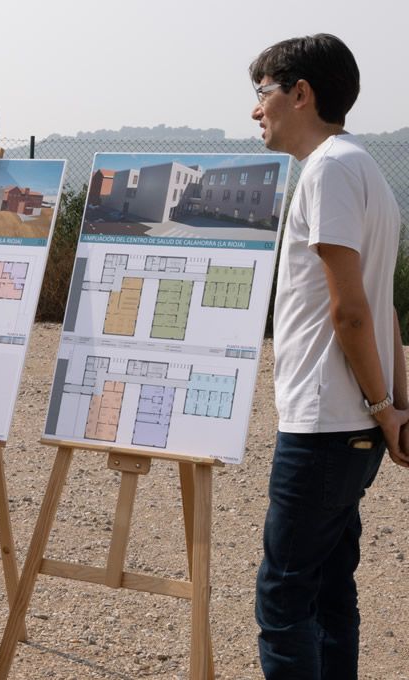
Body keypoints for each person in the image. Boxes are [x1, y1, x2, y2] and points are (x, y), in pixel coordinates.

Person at [250, 34, 407, 679]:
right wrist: (394, 407)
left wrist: (380, 404)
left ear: (301, 93)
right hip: (354, 422)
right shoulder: (365, 169)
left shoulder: (329, 170)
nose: (256, 111)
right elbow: (386, 304)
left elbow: (352, 310)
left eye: (262, 94)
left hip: (325, 421)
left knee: (284, 594)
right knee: (329, 587)